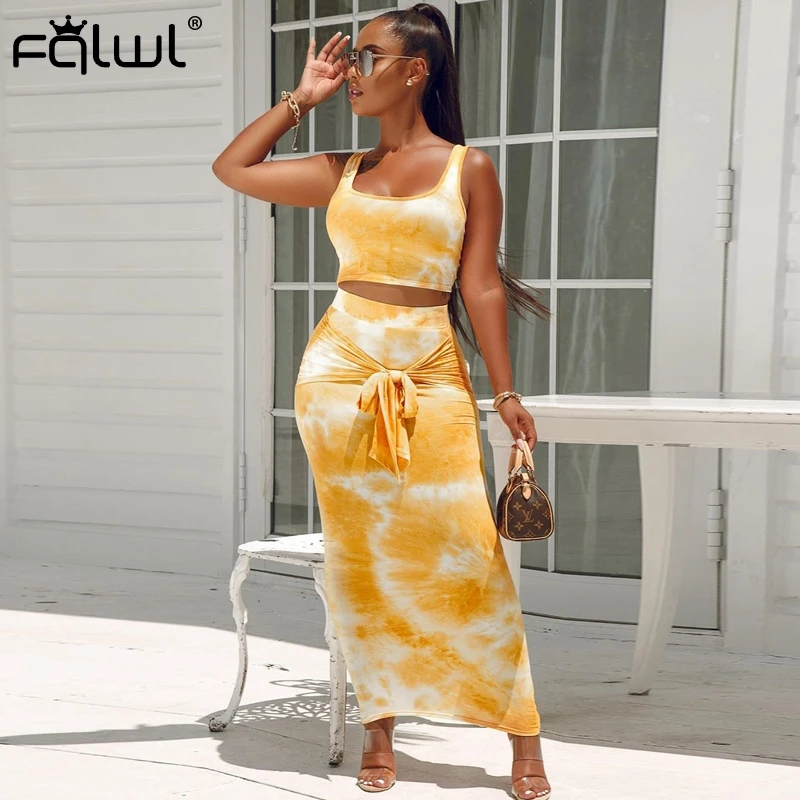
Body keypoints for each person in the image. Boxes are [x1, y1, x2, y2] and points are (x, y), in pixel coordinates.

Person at [212, 4, 552, 797]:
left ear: (415, 70)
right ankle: (379, 729)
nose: (352, 72)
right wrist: (301, 99)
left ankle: (521, 732)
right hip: (338, 375)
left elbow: (480, 285)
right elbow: (234, 168)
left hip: (430, 371)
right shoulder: (342, 170)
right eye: (350, 59)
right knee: (363, 560)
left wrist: (504, 389)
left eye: (367, 58)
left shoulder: (468, 169)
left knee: (468, 554)